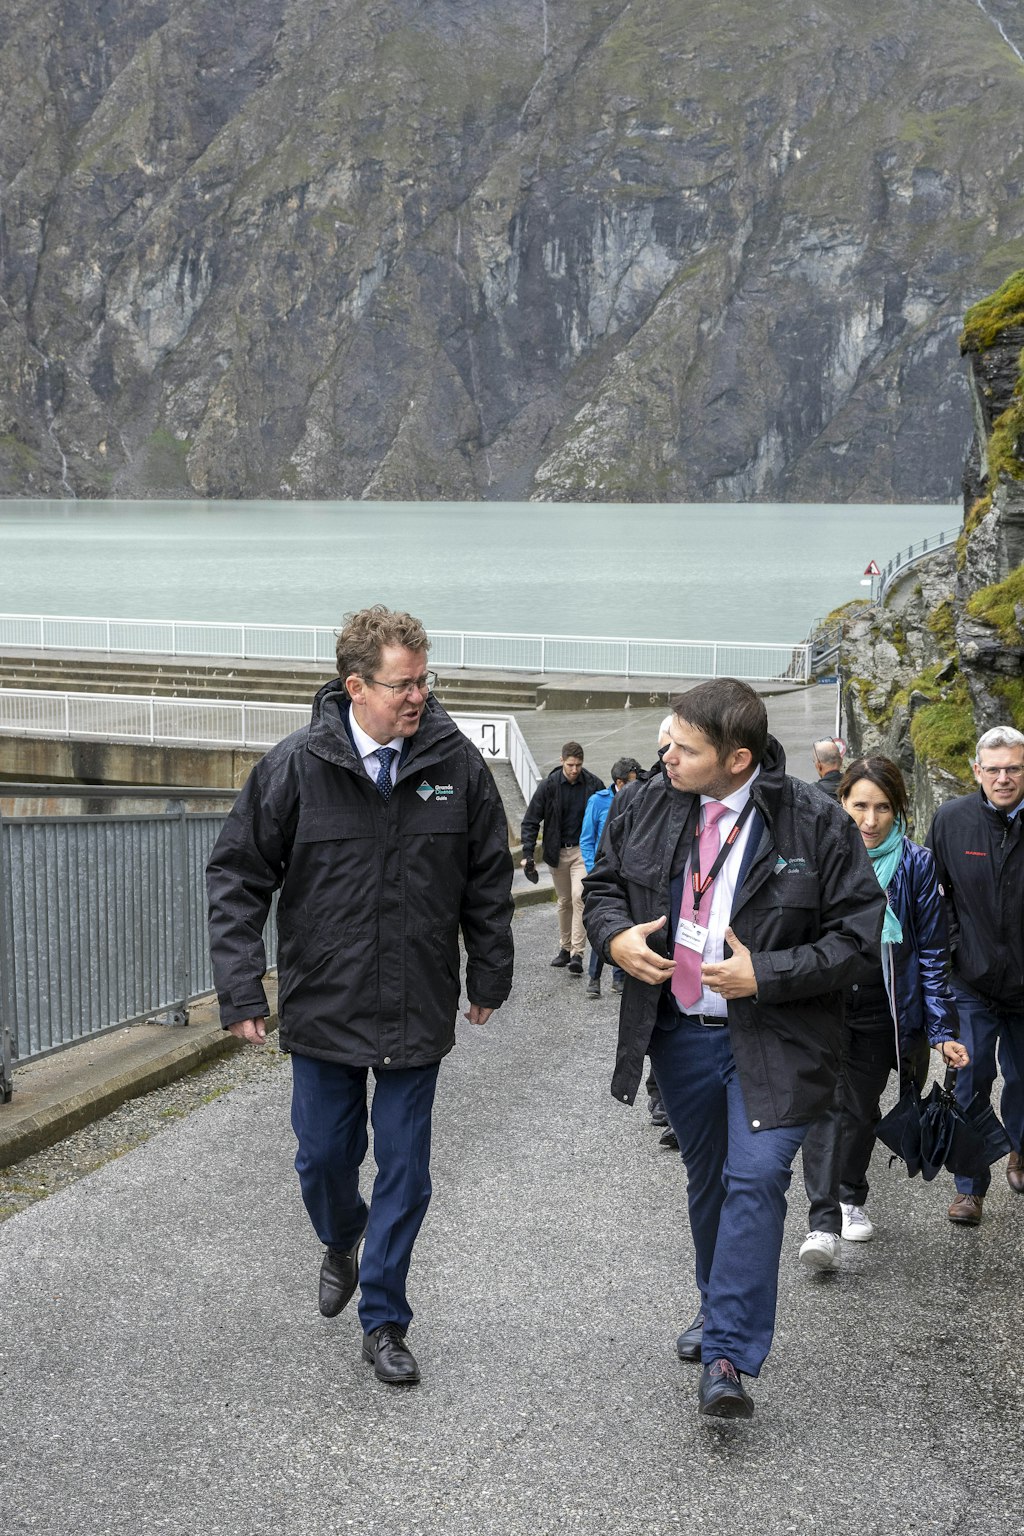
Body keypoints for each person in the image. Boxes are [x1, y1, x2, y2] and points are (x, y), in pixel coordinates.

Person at [206, 605, 514, 1385]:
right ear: (356, 686)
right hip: (323, 1006)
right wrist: (242, 985)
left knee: (406, 1172)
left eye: (425, 681)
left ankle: (385, 1320)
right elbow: (238, 877)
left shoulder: (455, 764)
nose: (420, 697)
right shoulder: (294, 767)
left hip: (416, 1005)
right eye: (404, 685)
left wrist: (490, 972)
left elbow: (487, 876)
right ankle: (341, 1237)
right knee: (323, 1159)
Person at [584, 678, 885, 1419]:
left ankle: (727, 1355)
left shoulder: (814, 821)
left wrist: (768, 973)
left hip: (780, 1036)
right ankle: (718, 1309)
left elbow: (856, 937)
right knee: (710, 1180)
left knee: (756, 1180)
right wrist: (615, 936)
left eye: (685, 750)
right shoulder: (647, 800)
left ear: (739, 758)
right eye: (668, 744)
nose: (668, 759)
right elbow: (604, 887)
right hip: (682, 1035)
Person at [797, 756, 968, 1270]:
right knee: (824, 1104)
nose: (869, 821)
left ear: (899, 811)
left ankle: (850, 1195)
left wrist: (940, 1028)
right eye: (859, 807)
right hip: (823, 999)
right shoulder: (818, 855)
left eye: (882, 808)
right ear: (841, 803)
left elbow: (934, 951)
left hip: (883, 1006)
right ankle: (823, 1222)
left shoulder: (916, 863)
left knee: (859, 1108)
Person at [927, 725, 1024, 1226]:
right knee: (970, 1081)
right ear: (977, 771)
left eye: (1014, 768)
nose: (1004, 778)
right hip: (971, 980)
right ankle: (969, 1187)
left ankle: (1020, 1148)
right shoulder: (951, 820)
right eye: (994, 769)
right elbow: (932, 895)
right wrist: (951, 952)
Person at [520, 742, 602, 975]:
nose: (574, 769)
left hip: (581, 852)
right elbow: (531, 820)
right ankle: (565, 949)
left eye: (578, 765)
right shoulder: (549, 786)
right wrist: (527, 853)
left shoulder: (593, 784)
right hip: (556, 851)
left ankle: (577, 953)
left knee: (579, 897)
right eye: (570, 765)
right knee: (564, 901)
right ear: (562, 761)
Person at [580, 759, 634, 998]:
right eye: (633, 782)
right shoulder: (598, 801)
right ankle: (594, 977)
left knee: (625, 925)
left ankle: (619, 978)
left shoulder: (640, 800)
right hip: (604, 871)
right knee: (603, 922)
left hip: (628, 872)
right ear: (620, 782)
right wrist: (594, 871)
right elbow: (587, 838)